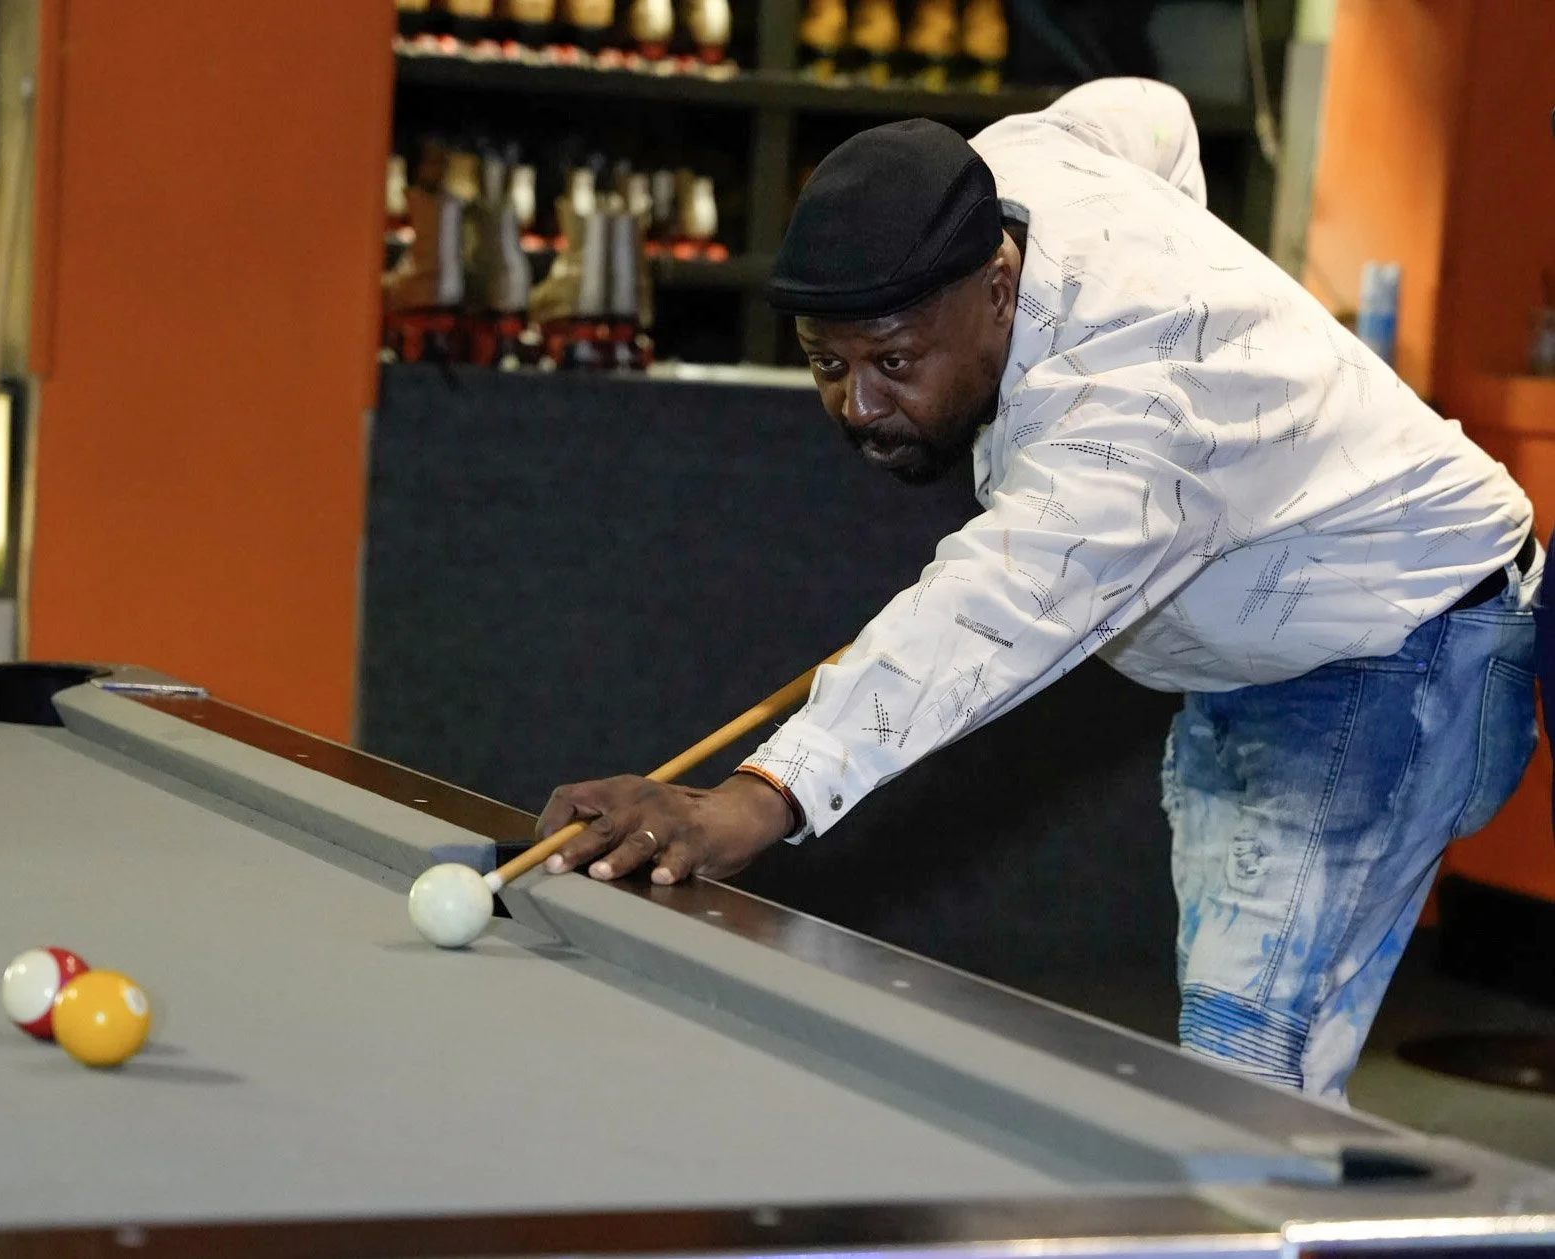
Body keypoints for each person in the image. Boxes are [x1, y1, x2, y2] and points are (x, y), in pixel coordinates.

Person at [536, 78, 1540, 1098]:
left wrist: (753, 801)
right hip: (1265, 662)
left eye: (893, 360)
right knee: (1238, 1055)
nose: (859, 404)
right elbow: (1151, 112)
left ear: (1000, 287)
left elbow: (984, 611)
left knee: (1246, 1078)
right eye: (825, 364)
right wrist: (1192, 255)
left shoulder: (1138, 416)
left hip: (1404, 649)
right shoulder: (1016, 166)